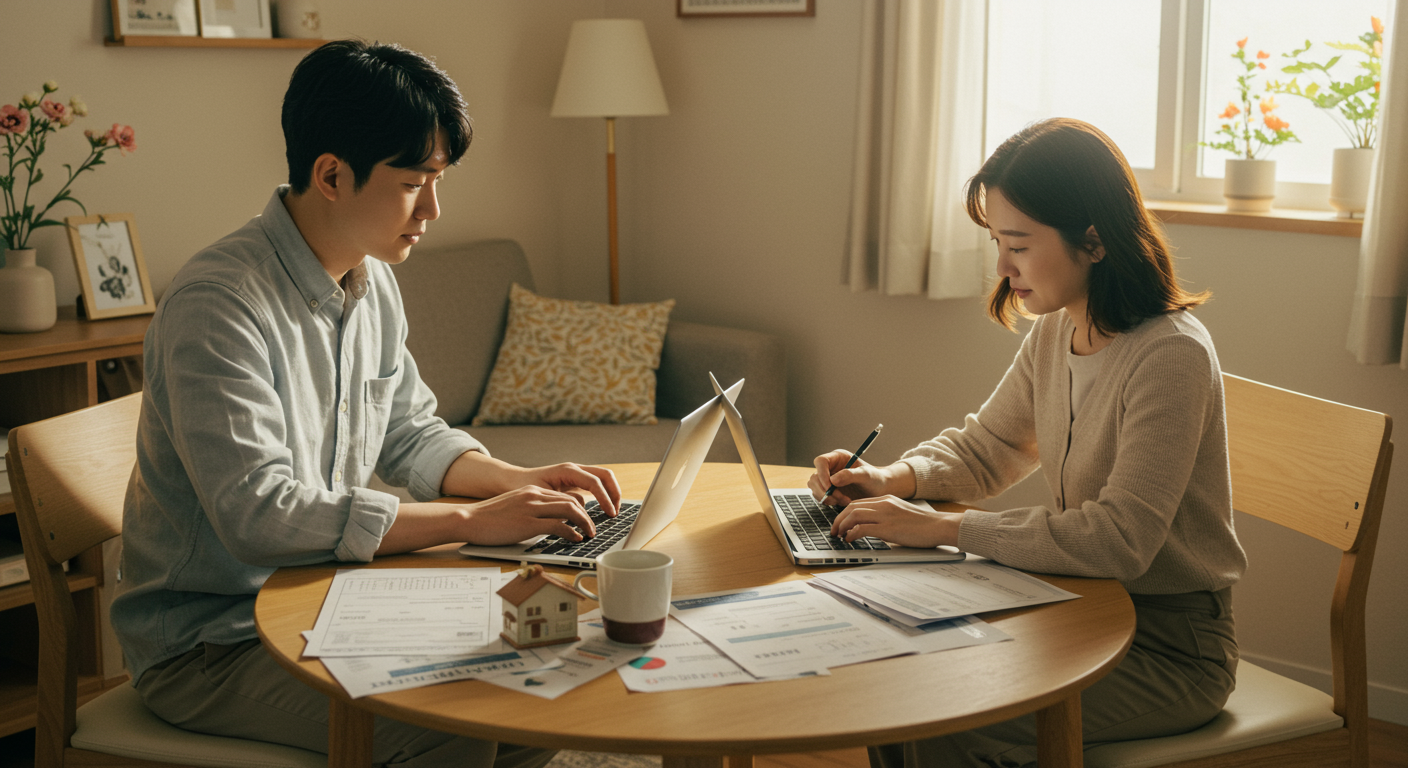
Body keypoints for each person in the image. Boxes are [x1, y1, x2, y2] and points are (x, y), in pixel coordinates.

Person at [111, 40, 621, 768]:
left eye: (436, 181)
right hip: (210, 644)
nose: (433, 209)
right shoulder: (218, 305)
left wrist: (518, 483)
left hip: (327, 598)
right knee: (457, 722)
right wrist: (472, 520)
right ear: (331, 175)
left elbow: (408, 432)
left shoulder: (370, 279)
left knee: (542, 670)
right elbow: (259, 514)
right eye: (414, 183)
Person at [811, 118, 1247, 768]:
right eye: (996, 241)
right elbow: (988, 448)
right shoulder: (1056, 330)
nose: (1001, 266)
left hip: (1172, 648)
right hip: (1080, 606)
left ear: (1093, 240)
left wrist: (943, 528)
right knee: (898, 674)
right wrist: (891, 478)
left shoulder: (1169, 355)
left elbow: (1120, 539)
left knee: (948, 714)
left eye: (1017, 244)